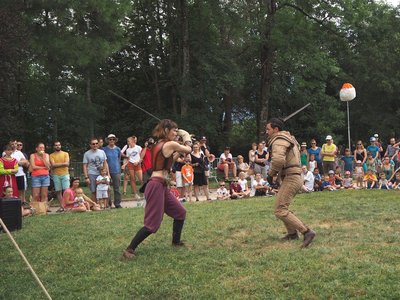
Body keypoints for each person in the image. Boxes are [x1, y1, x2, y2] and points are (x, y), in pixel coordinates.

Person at [123, 119, 192, 259]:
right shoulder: (170, 143)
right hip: (156, 185)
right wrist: (187, 138)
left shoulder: (158, 145)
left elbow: (169, 162)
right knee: (152, 224)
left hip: (161, 184)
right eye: (174, 130)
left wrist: (178, 151)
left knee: (180, 212)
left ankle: (176, 242)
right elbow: (189, 149)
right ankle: (129, 249)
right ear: (166, 130)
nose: (176, 133)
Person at [266, 118, 315, 248]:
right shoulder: (289, 138)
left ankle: (307, 232)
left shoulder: (279, 140)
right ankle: (292, 234)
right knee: (283, 207)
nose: (266, 132)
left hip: (291, 177)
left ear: (276, 129)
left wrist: (271, 174)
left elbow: (277, 160)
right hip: (294, 176)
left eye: (268, 129)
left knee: (280, 210)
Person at [83, 138, 109, 203]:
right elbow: (85, 166)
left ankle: (105, 205)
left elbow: (105, 162)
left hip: (102, 174)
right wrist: (86, 177)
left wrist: (107, 173)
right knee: (93, 190)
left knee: (105, 189)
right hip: (92, 174)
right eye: (93, 144)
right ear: (90, 145)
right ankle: (95, 205)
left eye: (96, 143)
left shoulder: (102, 152)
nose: (95, 145)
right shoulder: (87, 154)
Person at [49, 141, 70, 213]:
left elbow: (67, 164)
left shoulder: (65, 153)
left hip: (65, 174)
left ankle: (67, 206)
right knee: (58, 191)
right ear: (54, 147)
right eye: (56, 145)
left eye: (59, 145)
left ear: (61, 146)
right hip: (56, 175)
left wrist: (56, 164)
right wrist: (62, 164)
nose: (58, 146)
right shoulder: (51, 155)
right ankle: (62, 207)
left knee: (66, 191)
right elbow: (53, 165)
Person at [102, 134, 122, 207]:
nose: (112, 141)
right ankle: (109, 203)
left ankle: (117, 203)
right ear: (107, 140)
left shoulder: (118, 149)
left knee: (117, 188)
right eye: (110, 139)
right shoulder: (104, 149)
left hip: (116, 170)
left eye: (113, 139)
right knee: (107, 188)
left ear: (115, 140)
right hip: (107, 171)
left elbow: (119, 158)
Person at [121, 136, 143, 200]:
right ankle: (135, 194)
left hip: (137, 164)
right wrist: (124, 165)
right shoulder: (128, 150)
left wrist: (138, 162)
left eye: (129, 141)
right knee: (132, 179)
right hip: (130, 164)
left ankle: (145, 191)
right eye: (127, 141)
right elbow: (128, 159)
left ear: (133, 141)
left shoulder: (138, 147)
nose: (128, 142)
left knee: (141, 179)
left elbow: (142, 156)